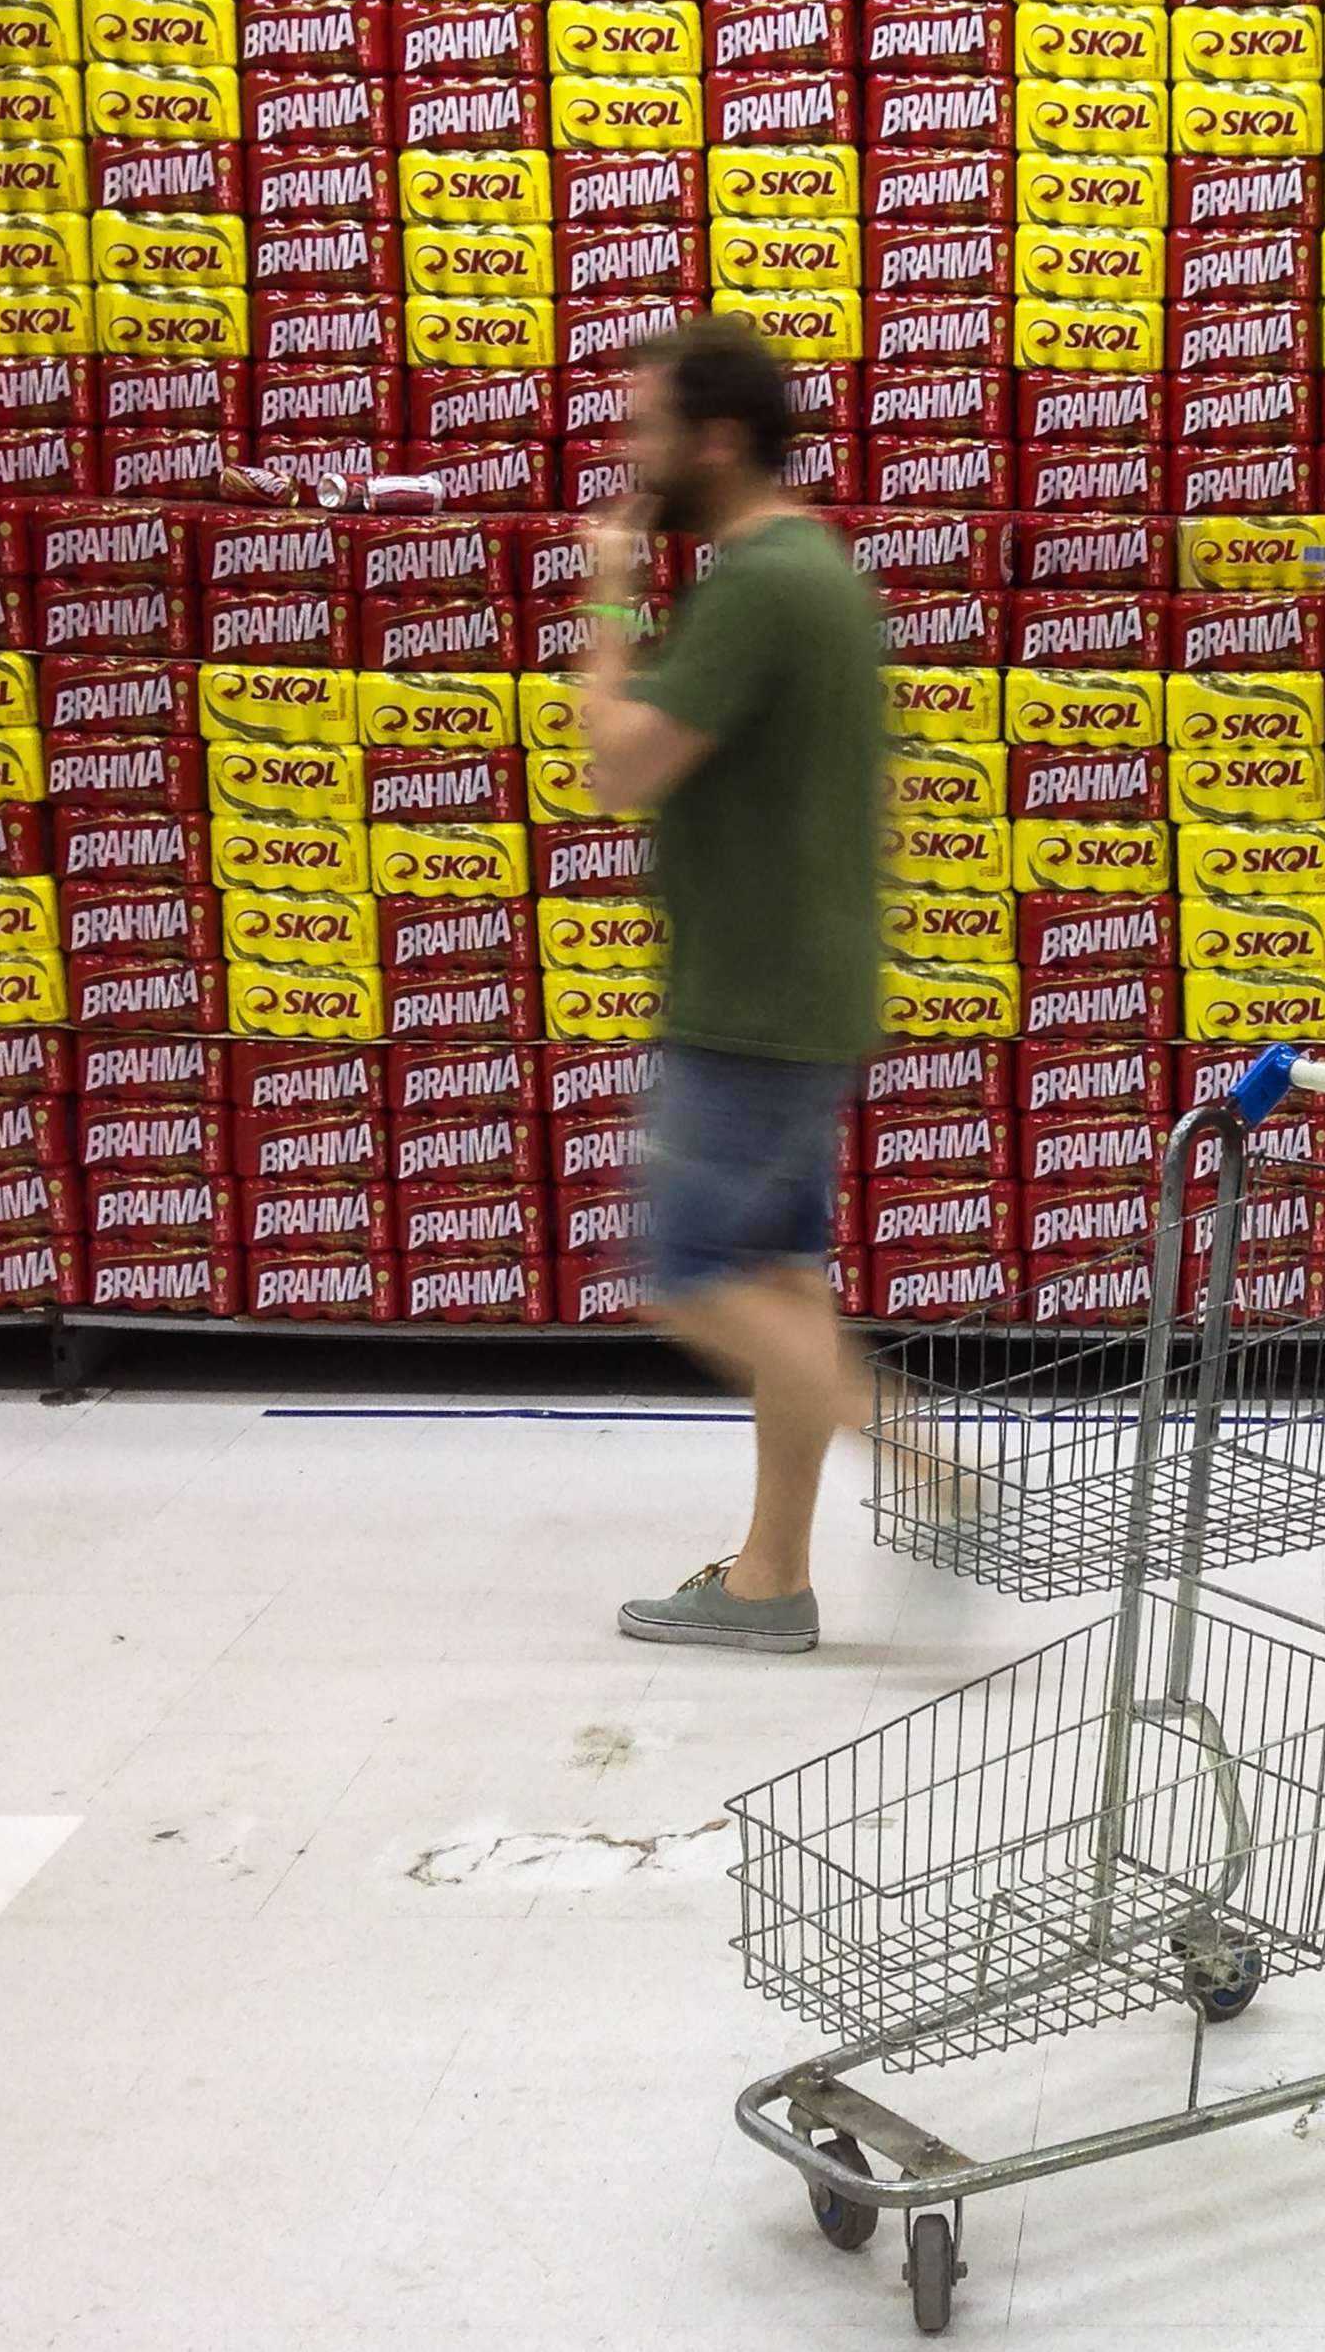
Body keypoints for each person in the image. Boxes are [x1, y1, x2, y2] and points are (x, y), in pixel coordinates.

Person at [577, 316, 885, 1655]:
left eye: (648, 428)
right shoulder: (819, 568)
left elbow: (621, 763)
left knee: (693, 1273)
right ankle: (771, 1578)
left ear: (715, 440)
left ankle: (925, 1457)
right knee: (783, 1272)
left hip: (747, 997)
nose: (632, 454)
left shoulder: (759, 583)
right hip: (804, 979)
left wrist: (603, 596)